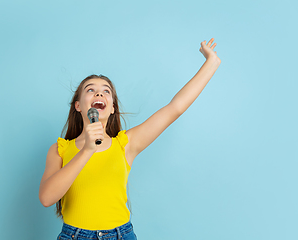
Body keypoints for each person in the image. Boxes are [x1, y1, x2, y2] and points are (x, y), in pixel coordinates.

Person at [39, 38, 221, 240]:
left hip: (120, 235)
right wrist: (87, 150)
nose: (99, 92)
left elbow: (174, 108)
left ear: (112, 108)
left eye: (106, 91)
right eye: (90, 89)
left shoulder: (125, 144)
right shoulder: (60, 150)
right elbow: (47, 198)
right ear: (78, 106)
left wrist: (210, 63)